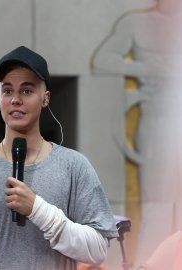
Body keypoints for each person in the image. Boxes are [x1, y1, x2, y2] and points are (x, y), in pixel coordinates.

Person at [0, 46, 118, 270]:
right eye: (7, 91)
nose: (15, 100)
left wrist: (38, 210)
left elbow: (98, 249)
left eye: (26, 91)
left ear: (45, 98)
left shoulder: (74, 166)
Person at [92, 0, 182, 263]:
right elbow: (102, 59)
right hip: (157, 120)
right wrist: (147, 69)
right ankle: (150, 263)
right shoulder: (137, 22)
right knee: (157, 205)